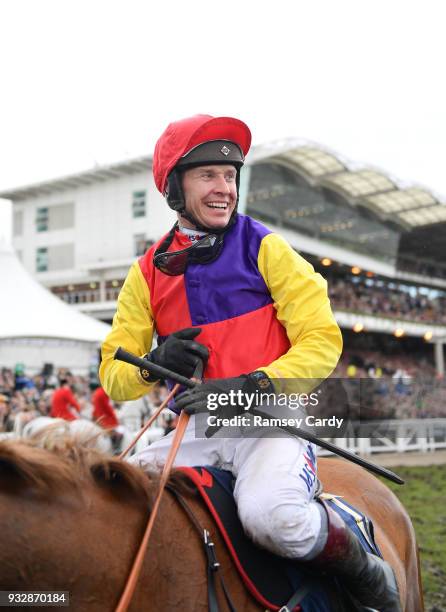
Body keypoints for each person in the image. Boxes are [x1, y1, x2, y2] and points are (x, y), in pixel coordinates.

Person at [100, 114, 400, 610]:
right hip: (194, 429)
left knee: (272, 518)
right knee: (113, 508)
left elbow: (322, 340)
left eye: (231, 176)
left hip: (269, 422)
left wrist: (252, 384)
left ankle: (366, 569)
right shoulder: (144, 274)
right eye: (208, 176)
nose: (224, 188)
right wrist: (153, 362)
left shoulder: (267, 246)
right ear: (176, 186)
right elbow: (115, 378)